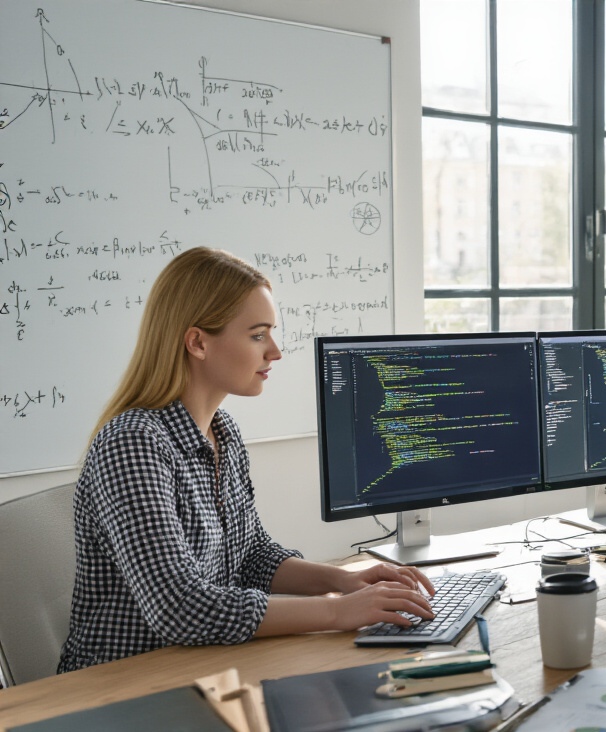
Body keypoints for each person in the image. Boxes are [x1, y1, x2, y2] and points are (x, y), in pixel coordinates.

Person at [59, 247, 435, 673]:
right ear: (197, 342)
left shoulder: (223, 432)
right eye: (258, 335)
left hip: (205, 667)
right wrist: (340, 611)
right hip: (119, 685)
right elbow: (182, 609)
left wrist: (343, 581)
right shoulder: (132, 444)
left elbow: (251, 555)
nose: (274, 351)